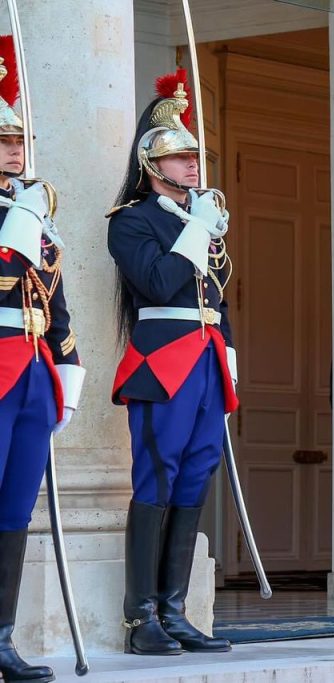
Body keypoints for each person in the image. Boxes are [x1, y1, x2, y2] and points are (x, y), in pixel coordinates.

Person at [107, 69, 235, 655]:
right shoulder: (134, 221)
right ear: (152, 164)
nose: (192, 166)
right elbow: (158, 283)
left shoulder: (198, 219)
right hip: (163, 361)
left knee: (194, 477)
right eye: (180, 157)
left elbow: (217, 298)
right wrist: (197, 231)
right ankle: (142, 618)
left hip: (206, 359)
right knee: (157, 476)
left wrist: (228, 355)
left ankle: (175, 608)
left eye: (194, 156)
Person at [0, 37, 84, 683]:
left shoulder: (33, 214)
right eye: (4, 142)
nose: (14, 152)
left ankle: (2, 637)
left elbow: (57, 309)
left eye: (19, 143)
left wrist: (67, 374)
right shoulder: (18, 219)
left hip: (31, 372)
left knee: (14, 510)